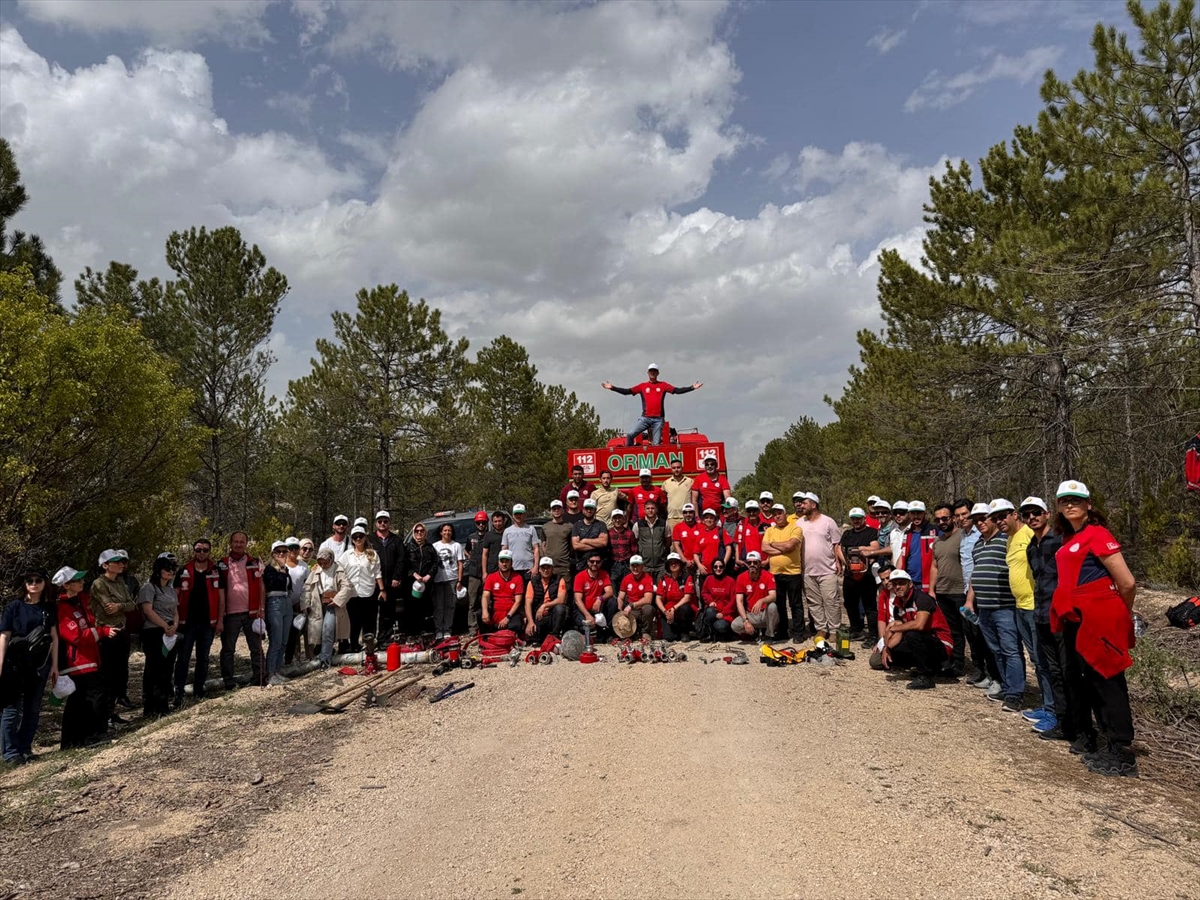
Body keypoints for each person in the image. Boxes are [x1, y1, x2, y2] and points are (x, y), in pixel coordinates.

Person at [1050, 481, 1139, 776]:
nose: (1070, 505)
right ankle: (1109, 745)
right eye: (1064, 501)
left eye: (1076, 500)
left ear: (1089, 504)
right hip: (1078, 621)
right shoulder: (1069, 538)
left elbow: (1126, 582)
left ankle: (1123, 753)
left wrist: (1119, 615)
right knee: (1088, 682)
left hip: (1099, 620)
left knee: (1108, 682)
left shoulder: (1098, 535)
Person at [998, 498, 1054, 723]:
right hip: (1020, 606)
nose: (998, 521)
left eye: (1003, 515)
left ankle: (1053, 710)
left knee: (1043, 661)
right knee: (1036, 660)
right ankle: (1047, 704)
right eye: (994, 518)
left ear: (1013, 514)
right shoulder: (1010, 539)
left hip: (1036, 607)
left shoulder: (1030, 534)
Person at [965, 501, 1024, 711]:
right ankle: (1007, 687)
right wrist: (970, 600)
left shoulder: (1006, 540)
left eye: (984, 518)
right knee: (997, 650)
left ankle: (1016, 694)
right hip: (985, 607)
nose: (980, 523)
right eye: (976, 520)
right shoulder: (978, 544)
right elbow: (976, 574)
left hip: (1005, 606)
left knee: (1011, 650)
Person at [1026, 496, 1070, 741]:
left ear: (1047, 515)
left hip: (1061, 617)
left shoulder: (1060, 541)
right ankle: (1060, 719)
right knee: (1052, 670)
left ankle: (1071, 723)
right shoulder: (1032, 545)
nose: (1032, 517)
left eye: (1036, 512)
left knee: (1066, 672)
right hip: (1041, 615)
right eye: (1027, 514)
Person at [1, 568, 55, 763]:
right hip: (14, 664)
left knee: (32, 709)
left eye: (38, 580)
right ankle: (9, 752)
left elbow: (54, 637)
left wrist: (54, 666)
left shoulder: (48, 608)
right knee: (11, 710)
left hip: (39, 665)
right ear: (24, 584)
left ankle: (25, 748)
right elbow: (4, 636)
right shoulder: (13, 607)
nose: (33, 583)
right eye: (29, 580)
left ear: (44, 583)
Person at [53, 567, 110, 748]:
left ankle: (77, 740)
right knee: (88, 698)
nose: (82, 583)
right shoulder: (62, 608)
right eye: (77, 580)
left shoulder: (79, 602)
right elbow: (75, 635)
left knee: (84, 699)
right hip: (76, 662)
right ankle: (88, 736)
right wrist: (102, 632)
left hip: (90, 658)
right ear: (66, 585)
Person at [873, 569, 954, 690]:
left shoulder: (922, 599)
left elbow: (919, 625)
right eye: (895, 584)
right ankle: (926, 667)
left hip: (941, 643)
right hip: (922, 641)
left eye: (902, 583)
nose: (898, 587)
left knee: (912, 634)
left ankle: (926, 676)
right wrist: (887, 647)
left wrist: (895, 628)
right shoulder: (898, 605)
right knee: (893, 653)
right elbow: (899, 632)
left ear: (910, 584)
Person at [602, 363, 703, 446]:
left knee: (656, 444)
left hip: (658, 420)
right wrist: (612, 387)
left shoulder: (663, 385)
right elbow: (627, 391)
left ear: (658, 373)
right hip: (645, 418)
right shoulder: (642, 386)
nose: (653, 373)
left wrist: (692, 387)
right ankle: (629, 453)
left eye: (654, 371)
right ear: (648, 373)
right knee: (630, 435)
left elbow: (677, 390)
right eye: (651, 371)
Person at [90, 549, 135, 722]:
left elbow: (132, 605)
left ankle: (112, 711)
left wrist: (120, 606)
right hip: (107, 632)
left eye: (121, 561)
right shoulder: (99, 584)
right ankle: (103, 715)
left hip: (122, 630)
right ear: (105, 565)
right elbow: (108, 608)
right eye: (116, 562)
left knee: (120, 673)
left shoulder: (121, 582)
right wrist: (121, 605)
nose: (121, 564)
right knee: (106, 674)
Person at [217, 532, 266, 690]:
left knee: (256, 647)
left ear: (246, 544)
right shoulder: (221, 564)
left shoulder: (255, 562)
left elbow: (261, 587)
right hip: (230, 613)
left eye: (242, 542)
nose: (238, 544)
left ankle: (259, 677)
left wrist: (262, 608)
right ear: (230, 543)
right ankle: (229, 682)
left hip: (251, 612)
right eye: (235, 542)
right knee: (228, 649)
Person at [174, 538, 220, 705]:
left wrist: (220, 620)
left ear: (210, 551)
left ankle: (199, 690)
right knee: (183, 658)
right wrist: (175, 620)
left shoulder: (215, 570)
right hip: (187, 623)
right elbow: (175, 596)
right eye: (198, 550)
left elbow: (221, 597)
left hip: (207, 622)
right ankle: (178, 692)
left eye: (205, 550)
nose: (202, 553)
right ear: (193, 551)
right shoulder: (183, 570)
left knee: (203, 657)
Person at [138, 552, 181, 715]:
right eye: (167, 568)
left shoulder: (170, 590)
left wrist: (174, 625)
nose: (171, 571)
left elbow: (175, 611)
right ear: (158, 570)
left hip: (170, 631)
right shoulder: (148, 587)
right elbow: (148, 611)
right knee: (154, 669)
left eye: (173, 569)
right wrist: (164, 626)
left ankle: (163, 704)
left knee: (167, 668)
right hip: (153, 632)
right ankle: (150, 706)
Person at [928, 504, 968, 677]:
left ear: (952, 518)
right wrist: (931, 590)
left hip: (960, 591)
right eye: (937, 519)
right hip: (942, 591)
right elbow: (934, 566)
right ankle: (952, 662)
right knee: (950, 630)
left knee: (967, 631)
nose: (941, 522)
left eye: (945, 518)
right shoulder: (937, 541)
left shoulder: (963, 536)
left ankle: (964, 664)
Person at [799, 494, 844, 641]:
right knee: (814, 603)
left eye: (804, 503)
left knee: (831, 601)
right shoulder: (799, 523)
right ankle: (821, 629)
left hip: (827, 569)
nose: (801, 506)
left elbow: (836, 544)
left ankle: (834, 629)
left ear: (813, 505)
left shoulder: (828, 522)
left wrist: (838, 561)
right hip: (807, 570)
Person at [302, 547, 351, 667]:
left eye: (326, 562)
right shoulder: (316, 570)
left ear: (331, 559)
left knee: (328, 630)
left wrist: (337, 600)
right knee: (317, 631)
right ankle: (319, 655)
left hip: (332, 604)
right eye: (321, 562)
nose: (323, 565)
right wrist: (306, 604)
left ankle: (325, 659)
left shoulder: (338, 570)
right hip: (318, 603)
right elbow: (307, 587)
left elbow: (347, 587)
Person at [762, 503, 803, 641]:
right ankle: (783, 631)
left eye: (780, 513)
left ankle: (798, 633)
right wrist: (783, 548)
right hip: (775, 573)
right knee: (780, 604)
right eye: (774, 514)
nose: (777, 516)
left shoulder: (795, 528)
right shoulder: (770, 530)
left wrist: (773, 544)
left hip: (793, 572)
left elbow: (791, 545)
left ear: (785, 514)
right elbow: (764, 547)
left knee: (795, 604)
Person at [840, 508, 880, 640]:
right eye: (853, 519)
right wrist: (844, 562)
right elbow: (839, 548)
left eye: (858, 518)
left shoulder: (871, 532)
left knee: (870, 605)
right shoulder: (847, 534)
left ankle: (873, 634)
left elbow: (875, 547)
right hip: (850, 573)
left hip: (866, 574)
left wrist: (861, 549)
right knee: (850, 603)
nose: (856, 521)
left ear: (864, 518)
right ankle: (856, 629)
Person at [340, 526, 382, 652]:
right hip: (352, 593)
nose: (358, 539)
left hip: (368, 591)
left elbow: (377, 573)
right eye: (355, 537)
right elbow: (339, 569)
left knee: (369, 622)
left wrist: (382, 589)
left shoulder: (372, 554)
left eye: (360, 536)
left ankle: (369, 646)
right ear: (352, 540)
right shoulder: (346, 555)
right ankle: (354, 646)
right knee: (354, 622)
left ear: (365, 538)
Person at [261, 542, 294, 684]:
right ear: (273, 553)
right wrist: (281, 569)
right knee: (276, 639)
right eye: (278, 551)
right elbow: (273, 583)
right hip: (274, 602)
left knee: (284, 640)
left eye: (284, 551)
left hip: (286, 601)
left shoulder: (285, 569)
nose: (281, 554)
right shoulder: (268, 569)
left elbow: (289, 586)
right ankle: (270, 672)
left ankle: (278, 670)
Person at [370, 511, 404, 639]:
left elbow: (401, 560)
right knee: (372, 613)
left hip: (390, 582)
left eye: (385, 521)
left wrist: (397, 577)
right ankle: (371, 639)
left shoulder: (396, 540)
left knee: (388, 612)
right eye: (380, 521)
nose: (382, 524)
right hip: (373, 582)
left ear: (389, 523)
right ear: (376, 523)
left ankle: (384, 638)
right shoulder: (369, 539)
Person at [732, 552, 778, 640]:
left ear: (760, 563)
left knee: (772, 606)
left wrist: (761, 601)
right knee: (735, 625)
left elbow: (773, 596)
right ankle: (753, 632)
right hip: (751, 614)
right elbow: (739, 601)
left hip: (765, 613)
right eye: (749, 563)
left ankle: (769, 635)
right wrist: (745, 621)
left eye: (755, 562)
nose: (752, 565)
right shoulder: (741, 577)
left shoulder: (768, 575)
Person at [403, 523, 438, 636]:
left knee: (424, 607)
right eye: (417, 531)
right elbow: (404, 563)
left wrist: (429, 575)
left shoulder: (430, 547)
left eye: (421, 531)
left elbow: (435, 563)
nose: (419, 533)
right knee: (411, 608)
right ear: (413, 533)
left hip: (426, 582)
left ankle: (424, 631)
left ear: (425, 533)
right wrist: (414, 574)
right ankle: (411, 633)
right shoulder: (408, 547)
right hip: (411, 582)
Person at [432, 523, 464, 641]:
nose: (447, 532)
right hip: (438, 580)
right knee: (439, 606)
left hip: (452, 579)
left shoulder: (457, 546)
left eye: (449, 530)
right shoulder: (435, 546)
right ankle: (438, 630)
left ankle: (447, 629)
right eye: (445, 530)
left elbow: (460, 564)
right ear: (441, 532)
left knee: (450, 606)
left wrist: (459, 580)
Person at [524, 557, 569, 642]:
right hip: (538, 616)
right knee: (531, 637)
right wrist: (530, 622)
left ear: (552, 569)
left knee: (560, 608)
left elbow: (561, 599)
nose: (545, 570)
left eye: (548, 567)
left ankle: (555, 636)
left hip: (552, 614)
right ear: (539, 569)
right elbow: (528, 604)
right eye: (543, 567)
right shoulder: (532, 582)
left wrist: (544, 606)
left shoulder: (559, 580)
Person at [656, 553, 696, 641]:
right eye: (671, 563)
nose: (673, 565)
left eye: (676, 562)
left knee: (685, 608)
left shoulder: (687, 577)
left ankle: (685, 632)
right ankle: (680, 632)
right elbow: (658, 598)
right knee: (669, 638)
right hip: (668, 612)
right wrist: (665, 611)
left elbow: (687, 597)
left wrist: (674, 609)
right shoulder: (664, 579)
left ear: (680, 564)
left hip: (681, 610)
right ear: (668, 566)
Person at [482, 550, 525, 633]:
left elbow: (518, 601)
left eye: (507, 561)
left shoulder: (518, 578)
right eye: (502, 561)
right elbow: (485, 596)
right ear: (498, 563)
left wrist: (507, 618)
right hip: (496, 610)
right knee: (481, 615)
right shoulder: (491, 577)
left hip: (511, 612)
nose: (504, 564)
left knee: (516, 625)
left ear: (511, 563)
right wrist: (485, 611)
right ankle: (489, 637)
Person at [616, 555, 658, 638]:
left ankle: (646, 632)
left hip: (641, 609)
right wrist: (620, 611)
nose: (635, 568)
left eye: (638, 566)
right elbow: (620, 597)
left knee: (648, 609)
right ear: (630, 567)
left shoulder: (647, 578)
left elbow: (648, 599)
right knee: (628, 635)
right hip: (631, 611)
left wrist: (631, 605)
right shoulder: (626, 579)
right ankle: (631, 633)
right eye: (633, 566)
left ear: (642, 567)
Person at [572, 551, 615, 633]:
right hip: (583, 610)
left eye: (597, 562)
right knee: (586, 627)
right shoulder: (579, 576)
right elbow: (578, 600)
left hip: (597, 609)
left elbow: (610, 592)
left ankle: (608, 632)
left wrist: (600, 599)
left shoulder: (604, 574)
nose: (594, 564)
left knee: (612, 602)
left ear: (601, 563)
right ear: (588, 562)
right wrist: (587, 615)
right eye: (592, 561)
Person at [464, 511, 491, 637]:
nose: (481, 525)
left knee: (489, 601)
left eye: (483, 522)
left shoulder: (490, 536)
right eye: (479, 523)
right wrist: (471, 558)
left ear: (487, 523)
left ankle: (488, 626)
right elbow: (466, 550)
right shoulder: (471, 537)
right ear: (475, 524)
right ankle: (473, 628)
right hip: (474, 574)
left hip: (488, 574)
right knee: (472, 602)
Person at [283, 537, 309, 665]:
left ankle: (291, 660)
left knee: (295, 634)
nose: (293, 550)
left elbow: (307, 585)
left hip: (298, 605)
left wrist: (303, 603)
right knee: (283, 634)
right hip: (283, 605)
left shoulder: (304, 566)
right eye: (290, 548)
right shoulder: (281, 565)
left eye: (296, 547)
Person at [899, 501, 935, 589]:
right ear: (909, 515)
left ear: (925, 514)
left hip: (930, 582)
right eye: (912, 513)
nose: (916, 516)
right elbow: (902, 555)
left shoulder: (935, 530)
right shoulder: (907, 533)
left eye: (919, 513)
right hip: (910, 581)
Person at [502, 504, 542, 583]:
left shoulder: (531, 529)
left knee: (528, 594)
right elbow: (504, 549)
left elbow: (536, 548)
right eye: (516, 514)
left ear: (524, 515)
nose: (518, 516)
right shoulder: (507, 531)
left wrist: (535, 567)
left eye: (520, 514)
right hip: (512, 568)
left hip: (528, 569)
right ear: (513, 515)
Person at [698, 558, 736, 642]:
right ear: (712, 568)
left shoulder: (731, 581)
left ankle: (720, 633)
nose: (718, 569)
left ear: (724, 568)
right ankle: (710, 634)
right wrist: (710, 601)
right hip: (713, 609)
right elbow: (704, 592)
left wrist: (723, 613)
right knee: (709, 611)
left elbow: (733, 601)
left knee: (721, 626)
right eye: (715, 567)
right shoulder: (709, 579)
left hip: (726, 612)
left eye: (721, 567)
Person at [633, 498, 670, 583]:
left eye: (652, 508)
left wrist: (662, 551)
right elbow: (634, 542)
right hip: (645, 565)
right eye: (648, 508)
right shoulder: (638, 525)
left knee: (660, 591)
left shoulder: (664, 524)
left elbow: (668, 541)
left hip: (661, 565)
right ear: (644, 510)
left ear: (656, 509)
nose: (650, 511)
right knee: (647, 590)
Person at [571, 498, 610, 576]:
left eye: (591, 508)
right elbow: (576, 546)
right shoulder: (577, 525)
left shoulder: (601, 525)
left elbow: (604, 542)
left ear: (595, 510)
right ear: (583, 510)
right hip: (581, 564)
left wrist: (585, 540)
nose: (589, 511)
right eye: (587, 508)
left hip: (598, 565)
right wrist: (596, 544)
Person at [694, 508, 728, 587]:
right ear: (703, 520)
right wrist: (699, 565)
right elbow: (696, 553)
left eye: (711, 518)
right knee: (704, 595)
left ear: (715, 520)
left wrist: (724, 563)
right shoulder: (700, 534)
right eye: (706, 517)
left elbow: (728, 548)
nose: (709, 520)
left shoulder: (721, 531)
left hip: (718, 570)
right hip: (705, 571)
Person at [607, 508, 636, 589]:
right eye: (615, 518)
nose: (617, 520)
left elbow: (634, 549)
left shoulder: (630, 533)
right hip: (613, 565)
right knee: (613, 587)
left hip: (626, 564)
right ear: (612, 520)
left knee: (628, 587)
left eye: (619, 518)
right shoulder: (608, 533)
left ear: (623, 519)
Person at [662, 459, 694, 531]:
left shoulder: (690, 481)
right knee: (674, 541)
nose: (676, 470)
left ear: (682, 468)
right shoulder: (666, 483)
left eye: (678, 467)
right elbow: (663, 501)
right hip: (672, 518)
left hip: (687, 516)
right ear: (671, 469)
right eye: (674, 468)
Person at [733, 500, 765, 572]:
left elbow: (768, 543)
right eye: (749, 511)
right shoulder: (742, 524)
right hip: (746, 562)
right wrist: (737, 559)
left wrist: (767, 560)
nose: (751, 513)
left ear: (758, 511)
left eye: (754, 511)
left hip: (761, 562)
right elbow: (737, 543)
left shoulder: (763, 526)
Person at [479, 511, 507, 579]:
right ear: (492, 523)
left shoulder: (508, 533)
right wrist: (484, 572)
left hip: (507, 568)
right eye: (495, 521)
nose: (497, 523)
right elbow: (484, 554)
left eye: (499, 521)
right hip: (492, 570)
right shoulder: (488, 535)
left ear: (504, 521)